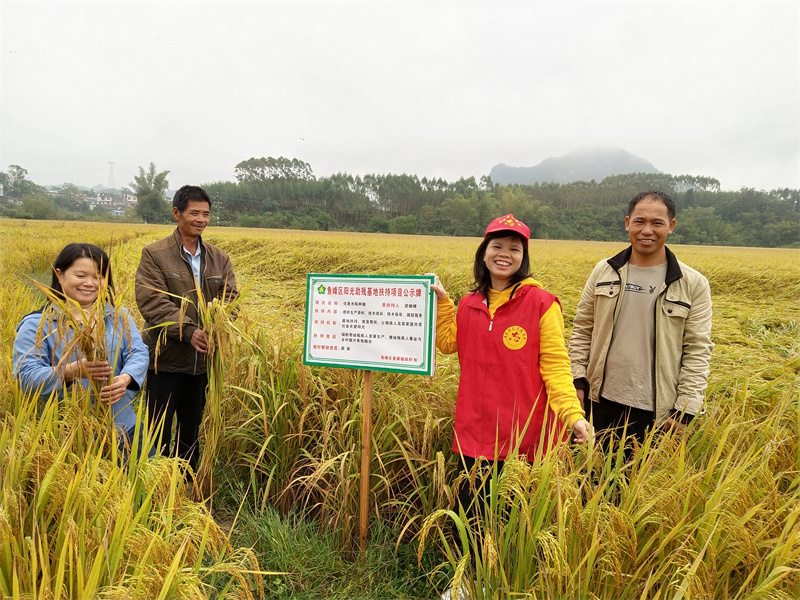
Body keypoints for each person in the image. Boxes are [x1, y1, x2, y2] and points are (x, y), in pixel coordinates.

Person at [568, 190, 713, 446]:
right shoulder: (604, 271)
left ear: (671, 227)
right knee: (587, 479)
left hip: (656, 411)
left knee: (640, 483)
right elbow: (582, 330)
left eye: (657, 223)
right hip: (597, 401)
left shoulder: (692, 284)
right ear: (627, 224)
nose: (647, 230)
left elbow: (698, 350)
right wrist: (576, 380)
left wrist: (685, 409)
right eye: (639, 221)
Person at [13, 243, 151, 460]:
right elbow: (26, 377)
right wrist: (71, 371)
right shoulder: (37, 324)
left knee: (141, 490)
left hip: (125, 429)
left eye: (98, 276)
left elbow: (139, 353)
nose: (90, 283)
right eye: (80, 275)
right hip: (67, 437)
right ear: (59, 275)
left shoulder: (118, 316)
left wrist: (126, 378)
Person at [135, 184, 238, 474]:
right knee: (159, 425)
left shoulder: (220, 258)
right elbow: (151, 301)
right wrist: (190, 331)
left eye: (206, 214)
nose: (201, 219)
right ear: (177, 213)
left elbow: (230, 298)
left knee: (191, 425)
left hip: (203, 362)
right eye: (194, 213)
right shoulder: (155, 254)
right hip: (165, 359)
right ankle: (155, 480)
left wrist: (221, 325)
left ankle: (186, 482)